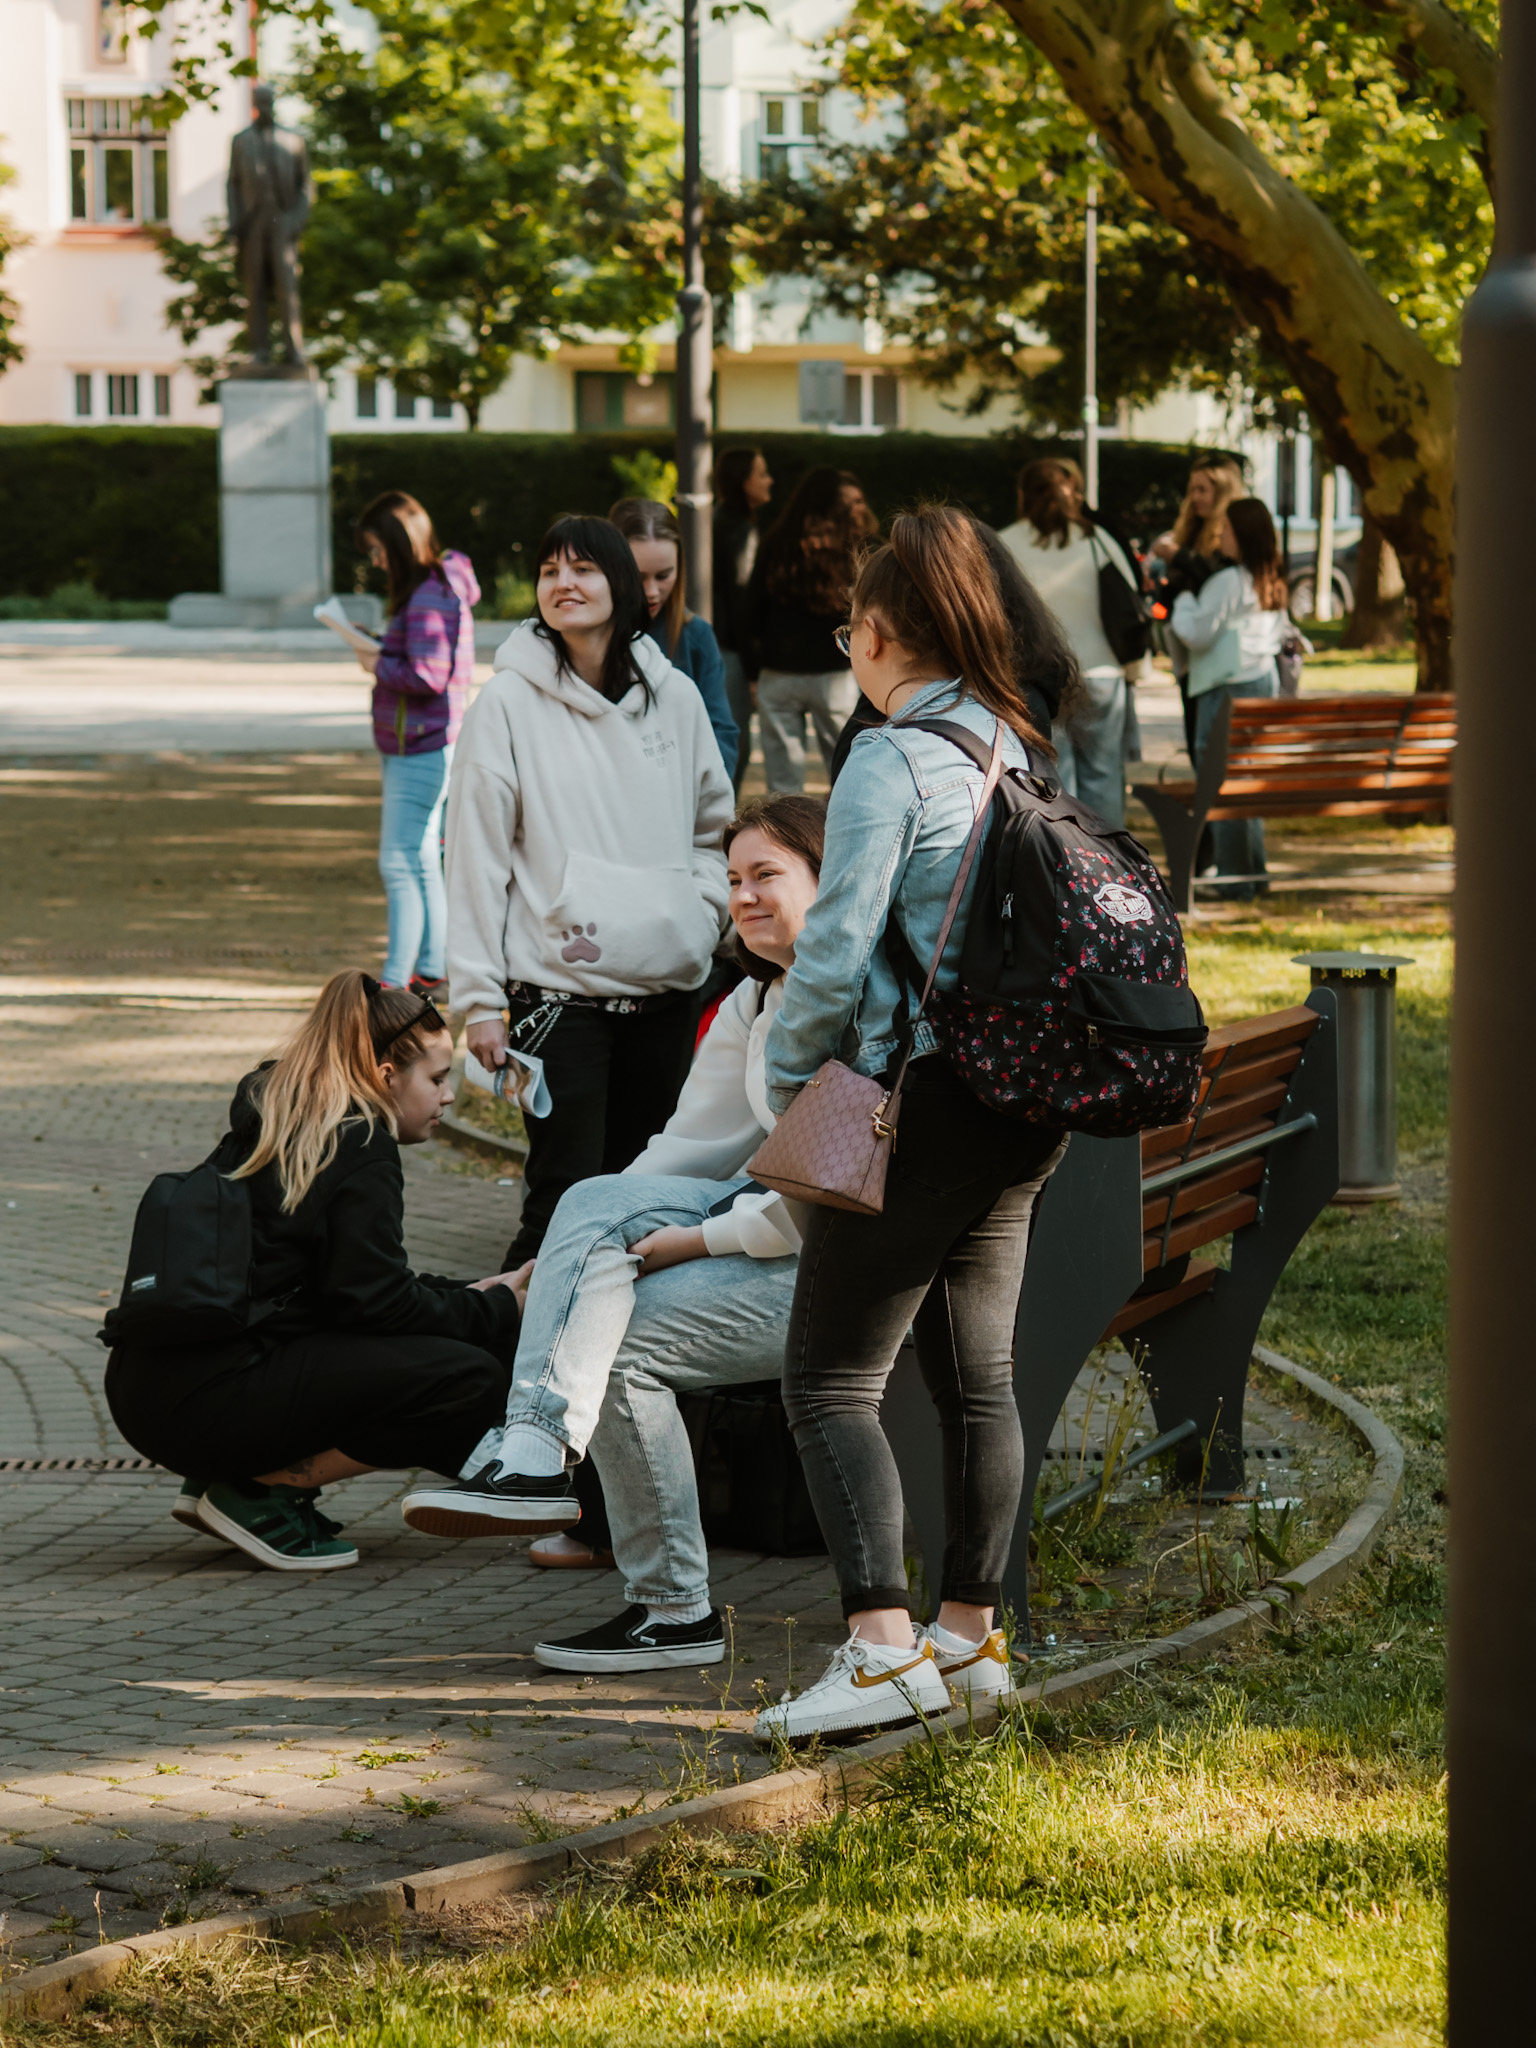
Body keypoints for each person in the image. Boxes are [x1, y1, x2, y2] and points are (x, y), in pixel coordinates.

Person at [752, 506, 1071, 1745]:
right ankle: (969, 1637)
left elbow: (833, 946)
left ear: (881, 631)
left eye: (851, 633)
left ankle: (881, 1653)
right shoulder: (1015, 738)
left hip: (923, 1098)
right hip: (1023, 1098)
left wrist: (790, 1075)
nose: (850, 654)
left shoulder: (891, 753)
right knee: (976, 1380)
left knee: (830, 1378)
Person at [400, 797, 829, 1673]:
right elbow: (682, 1157)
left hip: (854, 1270)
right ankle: (546, 1466)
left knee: (621, 1335)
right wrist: (573, 1257)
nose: (742, 897)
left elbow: (824, 1198)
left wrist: (693, 1245)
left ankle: (636, 1569)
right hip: (780, 1238)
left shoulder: (850, 1002)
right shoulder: (760, 998)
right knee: (594, 1215)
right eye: (734, 878)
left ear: (832, 883)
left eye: (767, 877)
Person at [104, 973, 530, 1572]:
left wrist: (472, 1294)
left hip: (155, 1389)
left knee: (439, 1349)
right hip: (206, 1401)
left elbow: (348, 1287)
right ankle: (260, 1490)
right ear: (386, 1076)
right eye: (436, 1078)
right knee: (464, 1376)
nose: (449, 1097)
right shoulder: (362, 1147)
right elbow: (375, 1306)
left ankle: (237, 1479)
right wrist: (493, 1310)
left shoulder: (286, 1113)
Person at [446, 514, 733, 1268]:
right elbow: (475, 858)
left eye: (583, 569)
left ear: (626, 587)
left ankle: (612, 1373)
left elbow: (714, 827)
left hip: (667, 987)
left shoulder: (676, 699)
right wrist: (477, 1000)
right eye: (548, 571)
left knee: (645, 1201)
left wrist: (699, 916)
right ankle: (511, 1372)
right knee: (562, 1201)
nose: (563, 584)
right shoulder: (505, 705)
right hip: (557, 996)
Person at [353, 491, 478, 999]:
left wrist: (375, 661)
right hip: (426, 740)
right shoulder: (438, 587)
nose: (376, 559)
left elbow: (428, 674)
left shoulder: (427, 593)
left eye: (379, 549)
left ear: (400, 544)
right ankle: (429, 969)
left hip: (419, 744)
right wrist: (382, 645)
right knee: (422, 856)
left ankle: (395, 981)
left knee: (399, 860)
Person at [998, 457, 1139, 827]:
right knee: (1105, 775)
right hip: (1101, 672)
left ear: (1022, 495)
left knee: (1056, 781)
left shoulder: (1005, 544)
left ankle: (1071, 863)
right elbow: (1131, 598)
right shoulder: (1097, 539)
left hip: (1040, 680)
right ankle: (1111, 866)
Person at [1170, 496, 1289, 899]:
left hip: (1225, 687)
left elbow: (1196, 633)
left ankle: (1234, 880)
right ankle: (1252, 873)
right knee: (1246, 780)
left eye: (1226, 529)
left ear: (1242, 535)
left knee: (1220, 783)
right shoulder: (1270, 578)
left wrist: (1182, 601)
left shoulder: (1227, 581)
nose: (1220, 535)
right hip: (1261, 682)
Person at [746, 467, 877, 793]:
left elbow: (751, 609)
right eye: (856, 501)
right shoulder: (861, 548)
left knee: (781, 783)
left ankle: (787, 842)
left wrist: (753, 669)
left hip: (778, 673)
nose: (862, 507)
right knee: (848, 772)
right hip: (836, 676)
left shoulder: (777, 543)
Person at [609, 497, 738, 778]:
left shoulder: (696, 635)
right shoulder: (589, 634)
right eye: (637, 576)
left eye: (664, 575)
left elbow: (721, 733)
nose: (652, 591)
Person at [1149, 453, 1245, 755]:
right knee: (1195, 741)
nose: (1194, 497)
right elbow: (1177, 593)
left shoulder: (1233, 534)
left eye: (1203, 490)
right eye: (1192, 489)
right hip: (1185, 649)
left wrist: (1177, 557)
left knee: (1209, 747)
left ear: (1223, 492)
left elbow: (1218, 582)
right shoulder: (1188, 530)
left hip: (1216, 652)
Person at [711, 447, 774, 793]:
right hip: (731, 650)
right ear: (743, 482)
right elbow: (741, 602)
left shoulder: (721, 520)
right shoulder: (739, 530)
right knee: (735, 745)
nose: (769, 480)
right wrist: (753, 668)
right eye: (762, 473)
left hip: (721, 644)